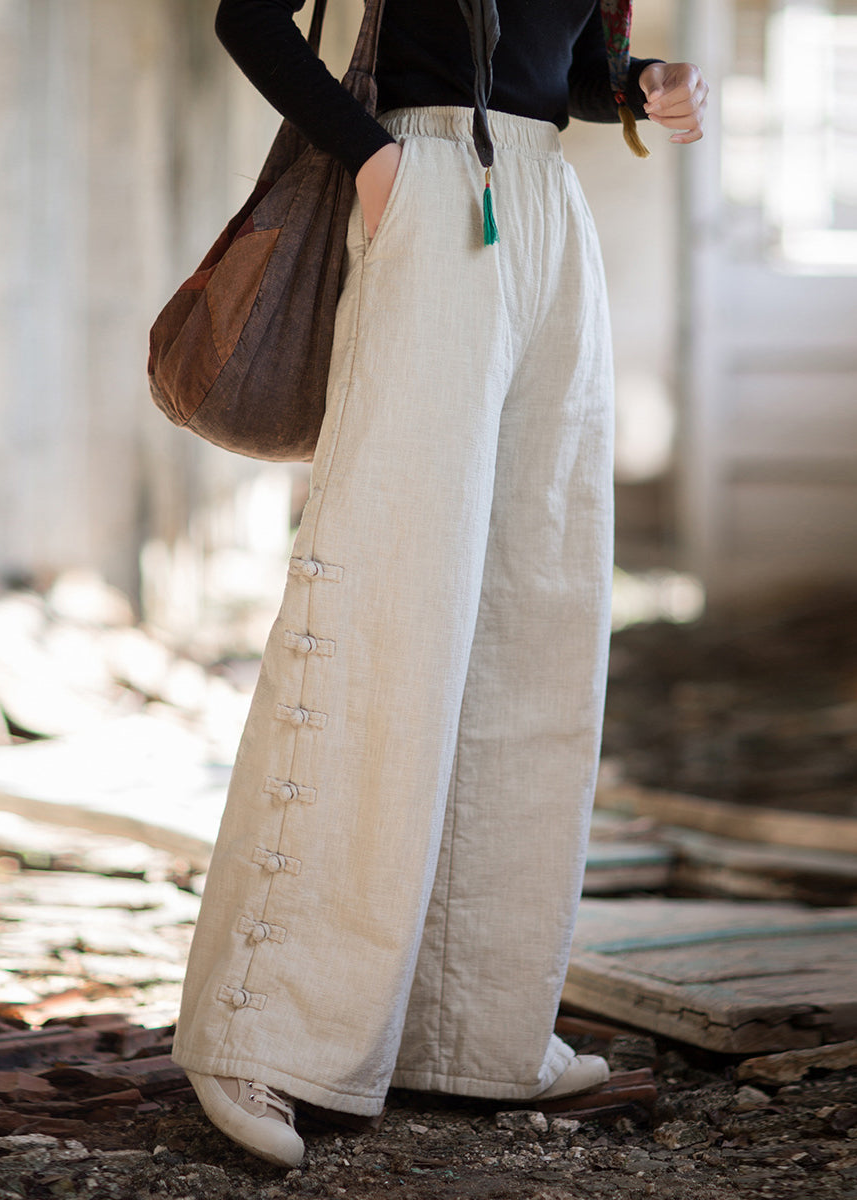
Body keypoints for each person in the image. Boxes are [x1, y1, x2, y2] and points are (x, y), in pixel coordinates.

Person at [171, 0, 708, 1169]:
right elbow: (249, 16)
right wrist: (375, 162)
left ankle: (476, 1031)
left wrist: (644, 80)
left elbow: (565, 66)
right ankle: (262, 1028)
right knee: (383, 598)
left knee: (536, 612)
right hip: (423, 180)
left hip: (547, 205)